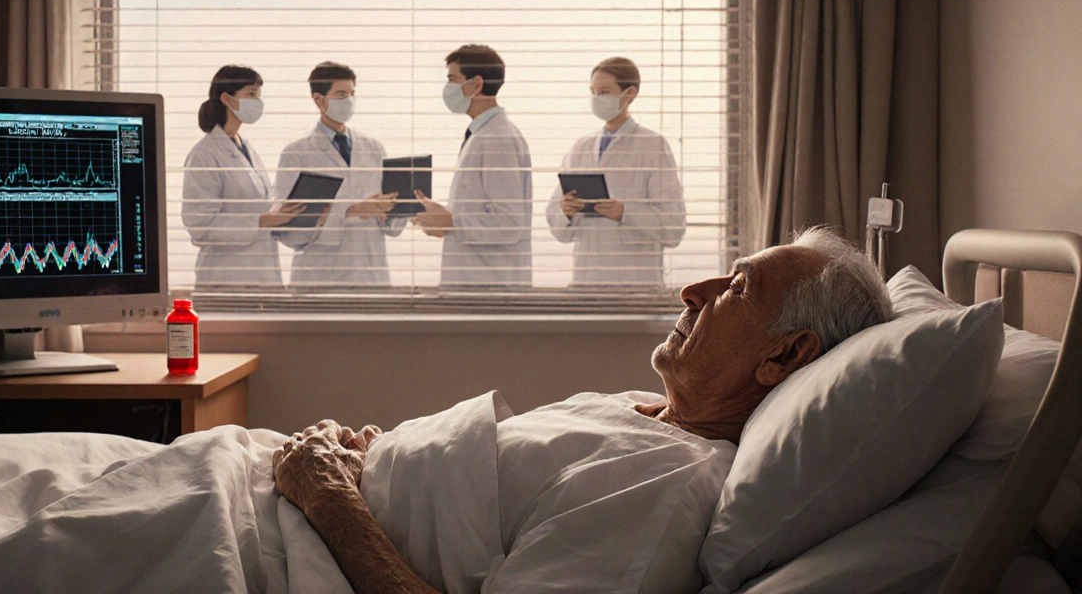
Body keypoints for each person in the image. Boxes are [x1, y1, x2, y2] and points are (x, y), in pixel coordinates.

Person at [272, 228, 892, 593]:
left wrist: (328, 495)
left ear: (783, 357)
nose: (692, 292)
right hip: (295, 491)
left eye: (734, 289)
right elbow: (489, 491)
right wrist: (383, 457)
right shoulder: (637, 410)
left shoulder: (666, 489)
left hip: (282, 550)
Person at [547, 57, 687, 287]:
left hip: (635, 284)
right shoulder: (581, 147)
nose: (596, 99)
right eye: (593, 91)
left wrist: (625, 213)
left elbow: (674, 227)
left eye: (604, 91)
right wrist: (566, 211)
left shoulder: (653, 146)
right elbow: (558, 228)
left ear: (629, 93)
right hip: (586, 283)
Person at [412, 44, 532, 287]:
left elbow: (509, 223)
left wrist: (451, 221)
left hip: (491, 289)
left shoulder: (497, 138)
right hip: (478, 284)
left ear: (476, 85)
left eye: (452, 79)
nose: (447, 88)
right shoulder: (482, 134)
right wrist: (445, 218)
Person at [274, 62, 404, 286]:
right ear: (319, 100)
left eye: (352, 94)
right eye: (341, 94)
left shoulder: (373, 148)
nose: (349, 101)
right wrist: (352, 210)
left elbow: (391, 225)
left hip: (370, 271)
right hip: (320, 273)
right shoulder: (296, 153)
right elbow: (287, 223)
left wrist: (394, 209)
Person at [182, 65, 302, 287]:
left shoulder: (245, 148)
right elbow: (200, 225)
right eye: (251, 94)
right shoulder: (204, 154)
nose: (257, 102)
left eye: (258, 95)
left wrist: (282, 215)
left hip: (262, 274)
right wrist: (261, 221)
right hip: (226, 278)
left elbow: (258, 206)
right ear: (227, 99)